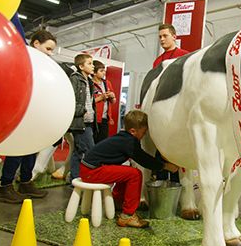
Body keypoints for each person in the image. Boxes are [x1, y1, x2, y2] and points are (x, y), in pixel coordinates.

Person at [80, 110, 179, 228]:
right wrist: (165, 166)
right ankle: (127, 215)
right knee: (135, 174)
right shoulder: (130, 142)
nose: (144, 135)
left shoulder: (124, 138)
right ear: (133, 131)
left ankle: (118, 201)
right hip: (91, 171)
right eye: (143, 132)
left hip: (88, 168)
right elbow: (144, 159)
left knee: (127, 171)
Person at [0, 30, 57, 203]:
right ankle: (5, 186)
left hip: (34, 113)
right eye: (48, 48)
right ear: (36, 44)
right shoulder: (21, 61)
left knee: (31, 149)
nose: (50, 53)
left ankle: (25, 182)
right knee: (19, 150)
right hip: (20, 113)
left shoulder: (44, 66)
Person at [152, 23, 189, 182]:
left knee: (178, 147)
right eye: (160, 36)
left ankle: (176, 185)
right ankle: (160, 184)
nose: (162, 39)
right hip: (161, 109)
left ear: (174, 36)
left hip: (178, 106)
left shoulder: (185, 55)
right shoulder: (157, 62)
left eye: (165, 36)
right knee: (160, 146)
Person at [69, 53, 96, 182]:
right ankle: (84, 178)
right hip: (80, 121)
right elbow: (71, 100)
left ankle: (74, 178)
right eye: (89, 63)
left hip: (88, 121)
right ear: (81, 66)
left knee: (78, 151)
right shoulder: (75, 79)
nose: (93, 66)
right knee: (89, 150)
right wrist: (83, 111)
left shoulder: (89, 81)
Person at [92, 60, 116, 143]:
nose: (104, 72)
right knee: (91, 144)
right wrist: (101, 97)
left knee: (102, 144)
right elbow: (87, 102)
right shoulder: (89, 84)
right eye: (101, 71)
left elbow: (113, 101)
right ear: (94, 73)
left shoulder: (107, 83)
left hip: (104, 119)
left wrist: (112, 97)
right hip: (93, 119)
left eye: (104, 70)